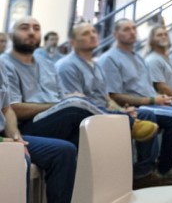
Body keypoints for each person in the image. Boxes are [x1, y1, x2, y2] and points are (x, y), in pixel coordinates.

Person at [56, 21, 162, 179]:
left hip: (103, 111)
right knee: (131, 119)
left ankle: (142, 172)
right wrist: (115, 113)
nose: (92, 35)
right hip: (85, 117)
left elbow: (106, 97)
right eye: (85, 34)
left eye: (93, 32)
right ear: (72, 42)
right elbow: (76, 102)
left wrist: (120, 110)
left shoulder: (95, 65)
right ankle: (117, 175)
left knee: (146, 115)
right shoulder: (67, 66)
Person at [99, 18, 172, 179]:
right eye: (126, 29)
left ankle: (159, 164)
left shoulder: (137, 57)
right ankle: (165, 166)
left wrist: (160, 98)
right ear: (115, 34)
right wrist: (152, 101)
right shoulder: (110, 58)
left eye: (134, 28)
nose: (132, 32)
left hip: (150, 102)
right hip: (133, 105)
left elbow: (148, 88)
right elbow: (114, 95)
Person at [1, 17, 100, 147]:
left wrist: (65, 102)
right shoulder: (4, 63)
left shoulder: (48, 64)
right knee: (75, 108)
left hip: (55, 118)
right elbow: (12, 108)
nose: (31, 32)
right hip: (28, 124)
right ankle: (129, 124)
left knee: (87, 130)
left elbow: (61, 96)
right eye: (24, 28)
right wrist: (62, 104)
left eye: (36, 29)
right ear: (11, 35)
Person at [0, 56, 77, 203]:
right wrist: (5, 141)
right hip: (1, 141)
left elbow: (6, 109)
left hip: (5, 136)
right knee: (17, 157)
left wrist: (17, 138)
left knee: (64, 151)